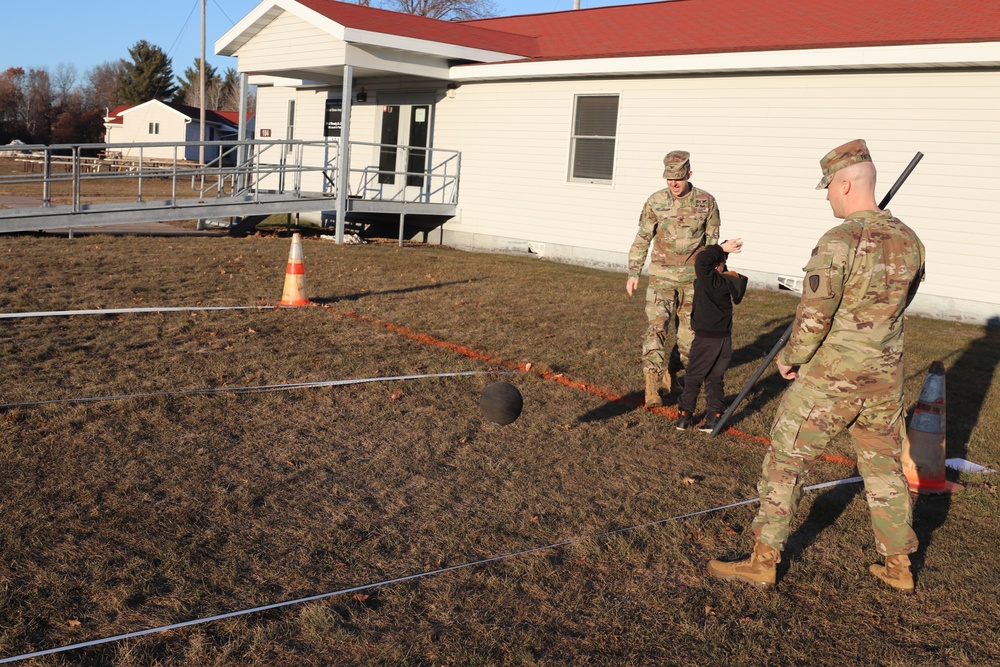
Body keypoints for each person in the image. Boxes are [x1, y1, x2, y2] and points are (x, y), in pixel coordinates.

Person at [707, 139, 926, 592]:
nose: (827, 195)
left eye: (828, 187)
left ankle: (763, 560)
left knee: (785, 461)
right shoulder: (910, 240)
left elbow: (814, 316)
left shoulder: (839, 241)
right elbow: (903, 302)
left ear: (846, 184)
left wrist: (790, 359)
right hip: (885, 379)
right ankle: (899, 566)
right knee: (884, 469)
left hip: (833, 378)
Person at [626, 151, 742, 408]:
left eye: (678, 178)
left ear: (689, 174)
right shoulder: (655, 201)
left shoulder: (706, 202)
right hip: (661, 279)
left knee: (690, 338)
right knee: (657, 328)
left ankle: (672, 370)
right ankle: (651, 385)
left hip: (693, 281)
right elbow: (643, 237)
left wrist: (718, 271)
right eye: (669, 179)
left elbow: (712, 242)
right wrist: (634, 272)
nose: (674, 184)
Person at [676, 244, 748, 432]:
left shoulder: (711, 281)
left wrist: (720, 247)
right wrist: (723, 251)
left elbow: (702, 262)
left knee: (693, 376)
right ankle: (714, 417)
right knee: (715, 378)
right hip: (724, 340)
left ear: (714, 266)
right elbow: (708, 263)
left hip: (705, 340)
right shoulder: (726, 282)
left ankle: (684, 415)